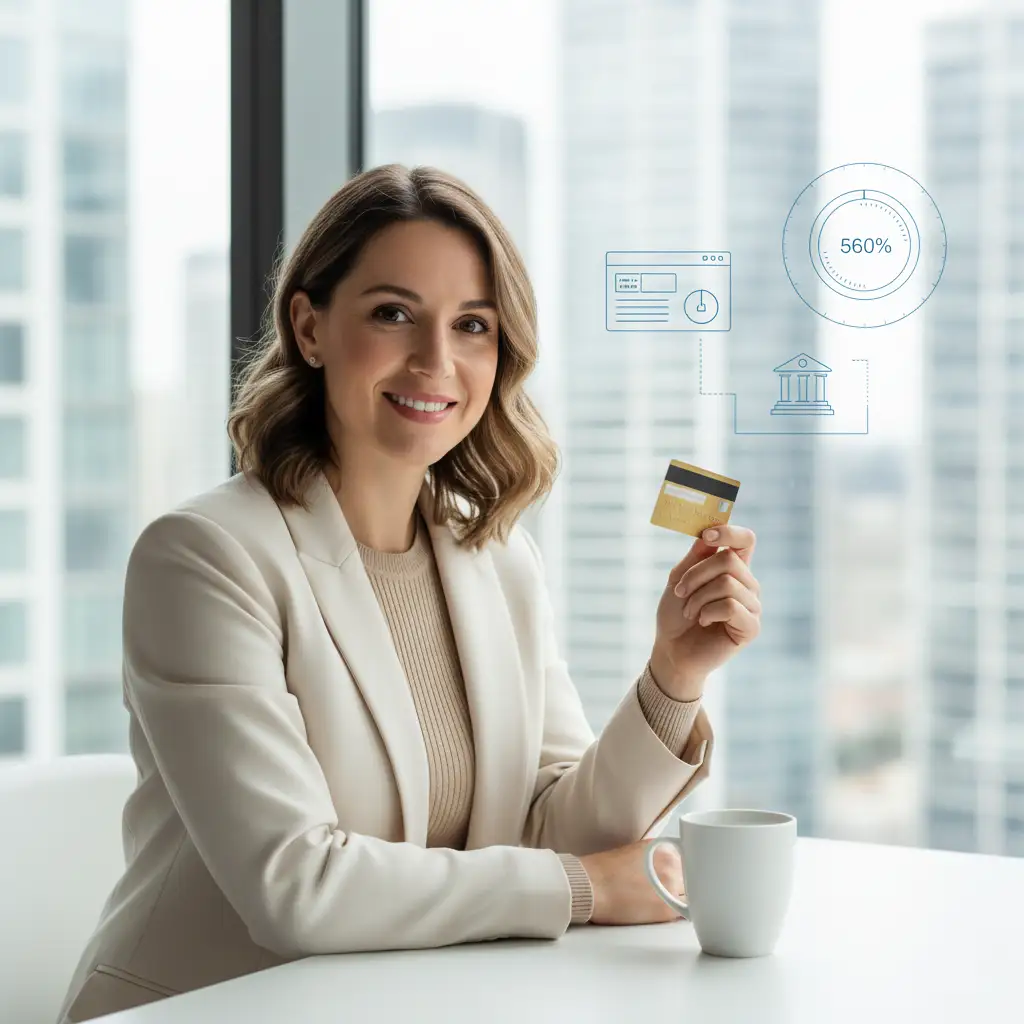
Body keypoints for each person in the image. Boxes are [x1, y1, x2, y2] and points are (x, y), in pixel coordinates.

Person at [56, 164, 762, 1023]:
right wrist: (580, 889)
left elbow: (553, 828)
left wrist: (674, 675)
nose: (436, 361)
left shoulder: (497, 560)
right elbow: (297, 887)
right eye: (394, 313)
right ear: (310, 328)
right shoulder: (205, 558)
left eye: (472, 325)